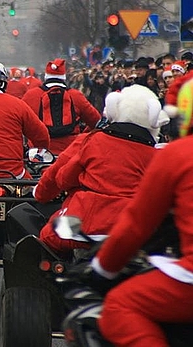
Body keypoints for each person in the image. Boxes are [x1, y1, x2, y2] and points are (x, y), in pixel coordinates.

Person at [90, 78, 193, 347]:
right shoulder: (155, 152)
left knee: (118, 306)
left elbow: (137, 225)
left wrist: (103, 269)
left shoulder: (177, 154)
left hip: (185, 280)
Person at [37, 84, 170, 258]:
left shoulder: (93, 140)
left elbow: (62, 178)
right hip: (131, 233)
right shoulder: (158, 155)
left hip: (82, 227)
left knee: (45, 239)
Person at [22, 59, 101, 155]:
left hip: (38, 152)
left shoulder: (31, 95)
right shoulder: (75, 95)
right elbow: (96, 121)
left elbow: (21, 125)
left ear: (46, 76)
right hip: (71, 152)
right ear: (64, 76)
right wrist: (83, 134)